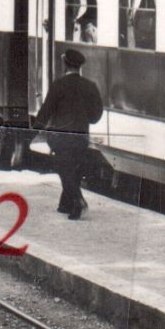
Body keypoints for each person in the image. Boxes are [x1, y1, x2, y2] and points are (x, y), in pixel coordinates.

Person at [33, 50, 105, 220]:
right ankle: (64, 205)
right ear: (79, 67)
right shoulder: (90, 86)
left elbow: (46, 110)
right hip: (81, 136)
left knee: (64, 169)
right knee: (73, 169)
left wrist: (37, 127)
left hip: (61, 137)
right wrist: (88, 119)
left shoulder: (58, 85)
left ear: (65, 64)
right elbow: (96, 114)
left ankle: (78, 202)